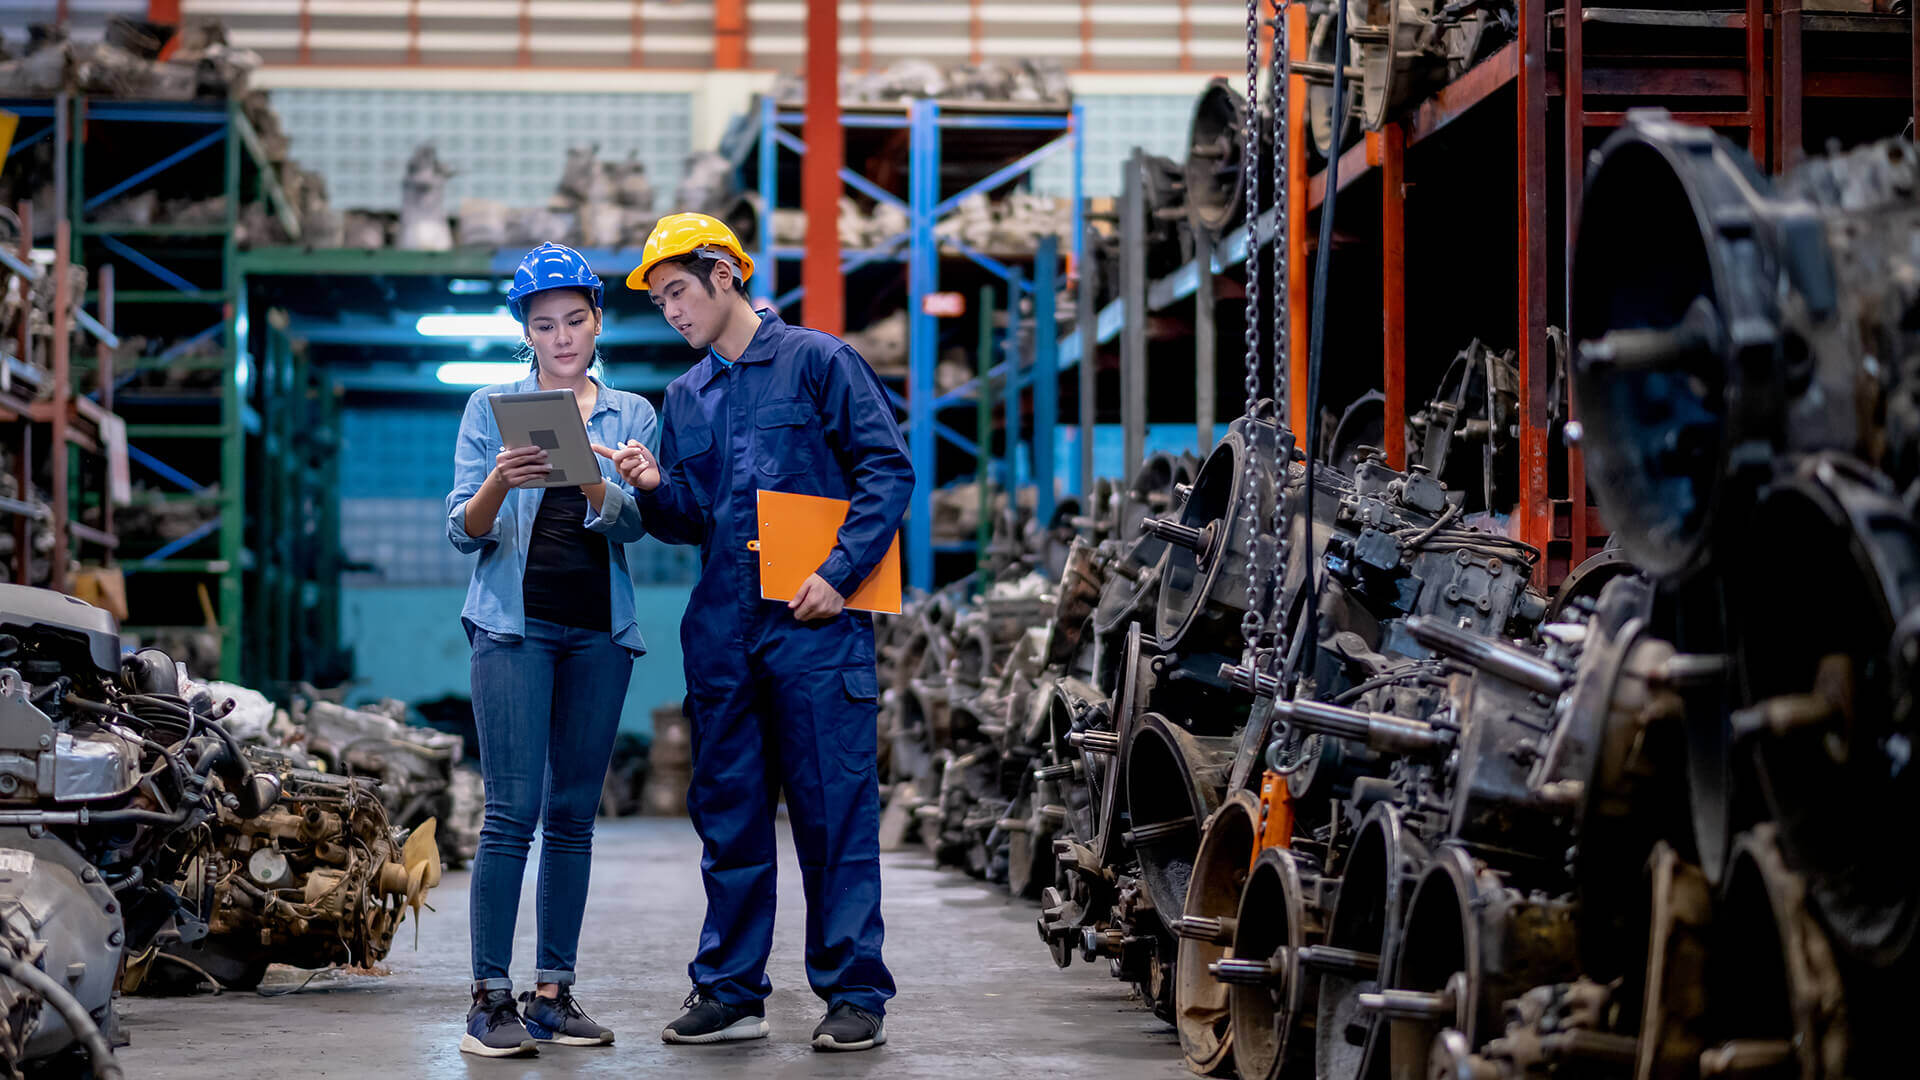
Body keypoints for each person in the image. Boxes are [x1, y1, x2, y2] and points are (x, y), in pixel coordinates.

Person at [600, 214, 912, 1052]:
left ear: (723, 275)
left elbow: (888, 471)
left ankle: (854, 993)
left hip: (814, 628)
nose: (670, 310)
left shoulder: (820, 362)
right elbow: (691, 521)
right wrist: (657, 485)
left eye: (677, 291)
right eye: (659, 299)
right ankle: (732, 989)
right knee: (729, 814)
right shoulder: (686, 395)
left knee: (831, 811)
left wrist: (839, 574)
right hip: (724, 633)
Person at [444, 242, 655, 1057]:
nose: (562, 337)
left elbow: (641, 523)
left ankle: (553, 995)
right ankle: (487, 998)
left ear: (598, 322)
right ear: (525, 334)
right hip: (513, 631)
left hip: (600, 633)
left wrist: (601, 483)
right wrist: (502, 478)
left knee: (572, 818)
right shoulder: (488, 408)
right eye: (544, 325)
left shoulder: (632, 413)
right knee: (510, 814)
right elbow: (461, 531)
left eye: (574, 320)